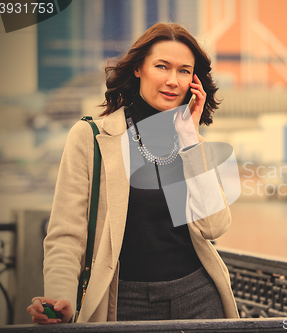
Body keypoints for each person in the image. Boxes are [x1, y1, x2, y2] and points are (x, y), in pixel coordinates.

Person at [27, 23, 239, 324]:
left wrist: (190, 141)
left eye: (183, 71)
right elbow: (66, 234)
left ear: (194, 81)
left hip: (198, 299)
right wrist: (60, 295)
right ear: (138, 68)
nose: (172, 81)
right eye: (162, 66)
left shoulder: (193, 145)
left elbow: (214, 226)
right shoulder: (90, 137)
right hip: (122, 302)